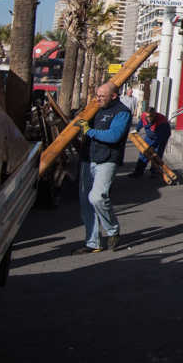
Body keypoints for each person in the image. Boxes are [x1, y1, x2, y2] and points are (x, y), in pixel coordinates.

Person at [76, 82, 131, 254]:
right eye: (97, 95)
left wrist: (89, 131)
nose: (98, 99)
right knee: (86, 203)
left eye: (102, 96)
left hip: (107, 159)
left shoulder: (122, 112)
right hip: (88, 158)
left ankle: (113, 231)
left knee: (97, 197)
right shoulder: (95, 109)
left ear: (113, 96)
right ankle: (93, 243)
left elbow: (114, 136)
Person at [130, 108, 172, 179]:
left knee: (156, 154)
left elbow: (160, 138)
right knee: (144, 152)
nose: (149, 119)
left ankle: (154, 172)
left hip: (161, 136)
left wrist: (153, 146)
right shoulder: (144, 116)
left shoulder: (162, 122)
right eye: (147, 117)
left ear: (154, 115)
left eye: (151, 117)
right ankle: (138, 171)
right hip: (150, 136)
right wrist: (137, 129)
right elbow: (141, 122)